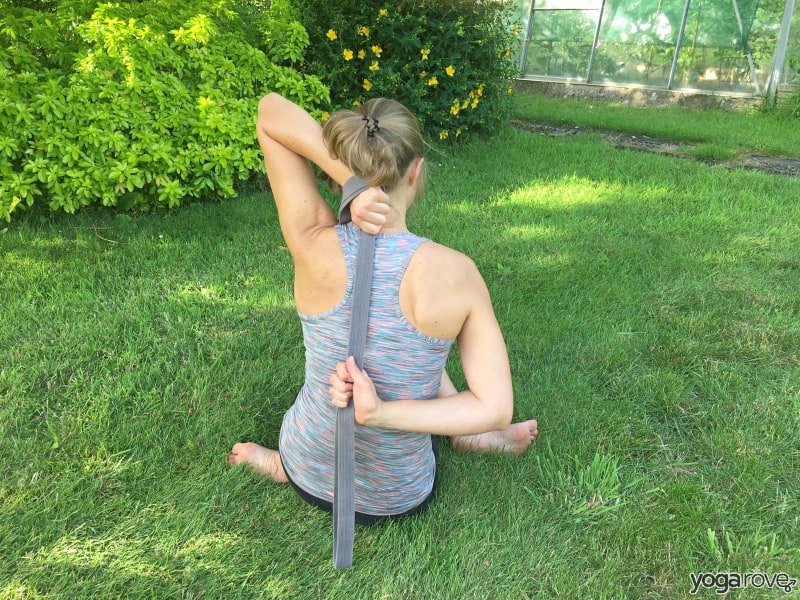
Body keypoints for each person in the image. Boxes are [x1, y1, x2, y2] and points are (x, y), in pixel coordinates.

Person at [228, 93, 538, 523]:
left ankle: (281, 463)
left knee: (415, 346)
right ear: (415, 171)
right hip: (397, 494)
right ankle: (474, 435)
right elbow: (495, 407)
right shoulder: (457, 274)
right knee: (424, 342)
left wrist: (353, 180)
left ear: (339, 176)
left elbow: (269, 112)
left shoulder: (312, 244)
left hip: (309, 466)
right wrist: (382, 413)